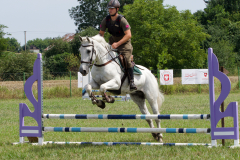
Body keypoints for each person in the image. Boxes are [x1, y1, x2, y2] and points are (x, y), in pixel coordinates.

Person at [99, 0, 137, 91]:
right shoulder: (106, 20)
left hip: (124, 43)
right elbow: (101, 34)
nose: (110, 10)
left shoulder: (122, 20)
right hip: (112, 42)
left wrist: (118, 44)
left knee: (127, 60)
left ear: (117, 9)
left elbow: (128, 35)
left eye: (112, 8)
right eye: (109, 8)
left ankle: (132, 81)